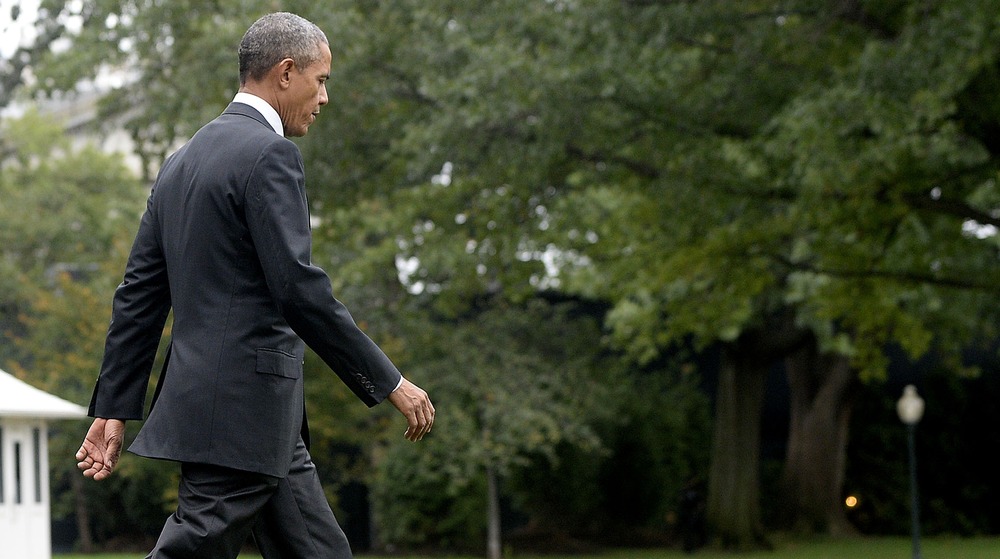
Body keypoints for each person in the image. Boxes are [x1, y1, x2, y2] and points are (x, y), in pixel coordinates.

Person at [74, 12, 435, 558]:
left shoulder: (180, 164)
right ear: (287, 73)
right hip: (239, 415)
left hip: (259, 423)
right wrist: (389, 381)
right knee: (192, 547)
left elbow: (139, 299)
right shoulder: (271, 155)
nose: (325, 98)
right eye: (322, 80)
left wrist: (113, 406)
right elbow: (298, 289)